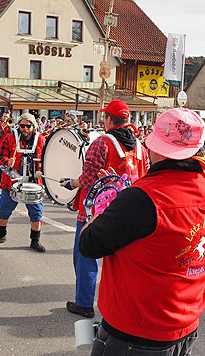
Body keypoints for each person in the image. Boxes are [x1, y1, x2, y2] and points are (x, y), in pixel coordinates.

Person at [79, 108, 205, 356]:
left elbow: (89, 244)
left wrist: (108, 203)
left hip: (133, 334)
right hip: (184, 328)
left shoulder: (142, 198)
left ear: (157, 148)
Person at [60, 100, 149, 318]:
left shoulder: (101, 143)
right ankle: (123, 306)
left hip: (95, 214)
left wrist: (74, 184)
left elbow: (90, 180)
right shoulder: (140, 146)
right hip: (130, 212)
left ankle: (84, 303)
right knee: (123, 261)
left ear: (109, 119)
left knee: (85, 257)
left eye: (104, 117)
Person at [0, 113, 46, 252]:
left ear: (33, 126)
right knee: (3, 211)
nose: (25, 129)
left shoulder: (41, 140)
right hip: (11, 181)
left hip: (33, 182)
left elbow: (49, 159)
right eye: (22, 126)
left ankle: (35, 240)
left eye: (28, 126)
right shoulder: (10, 138)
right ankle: (1, 235)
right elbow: (0, 156)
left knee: (37, 213)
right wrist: (7, 161)